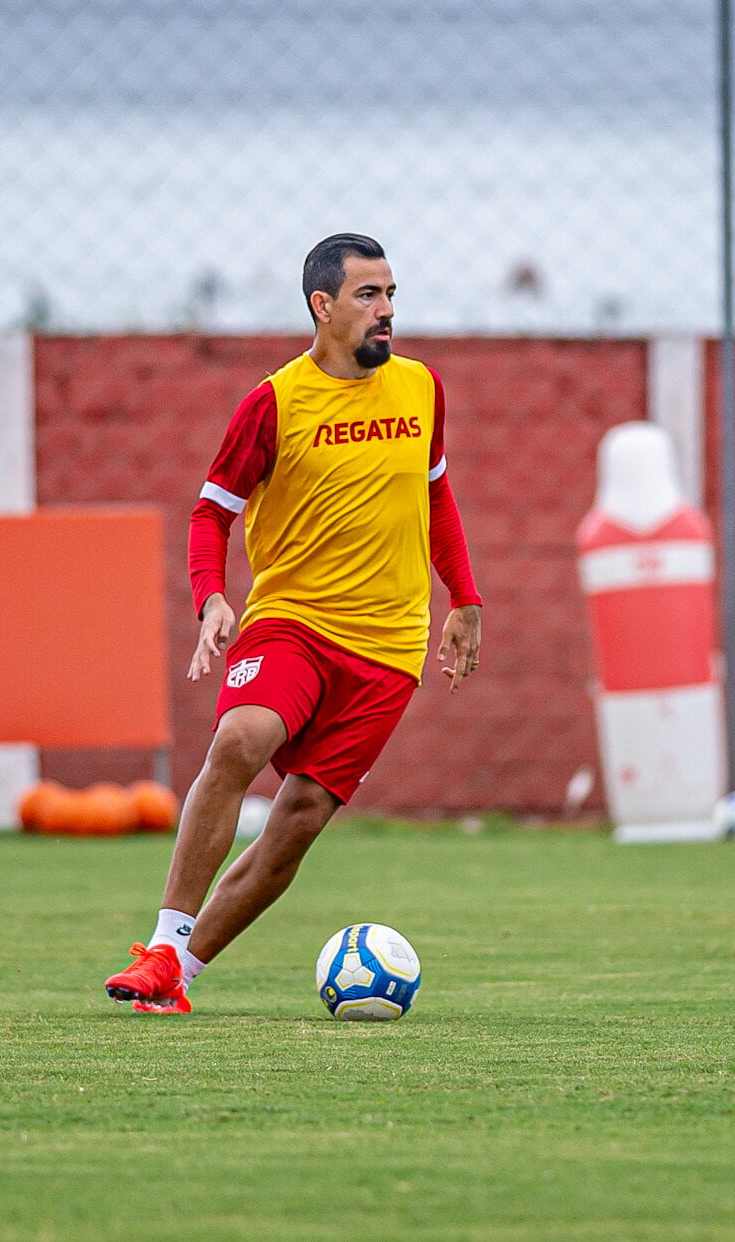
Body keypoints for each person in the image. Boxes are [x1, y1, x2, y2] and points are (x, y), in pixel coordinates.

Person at [104, 233, 484, 1015]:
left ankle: (179, 977)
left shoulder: (422, 389)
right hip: (294, 622)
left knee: (299, 820)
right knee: (241, 738)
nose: (386, 312)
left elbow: (436, 495)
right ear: (323, 305)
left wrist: (465, 599)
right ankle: (162, 942)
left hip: (388, 648)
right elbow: (212, 513)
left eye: (390, 295)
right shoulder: (273, 402)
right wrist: (210, 594)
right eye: (368, 296)